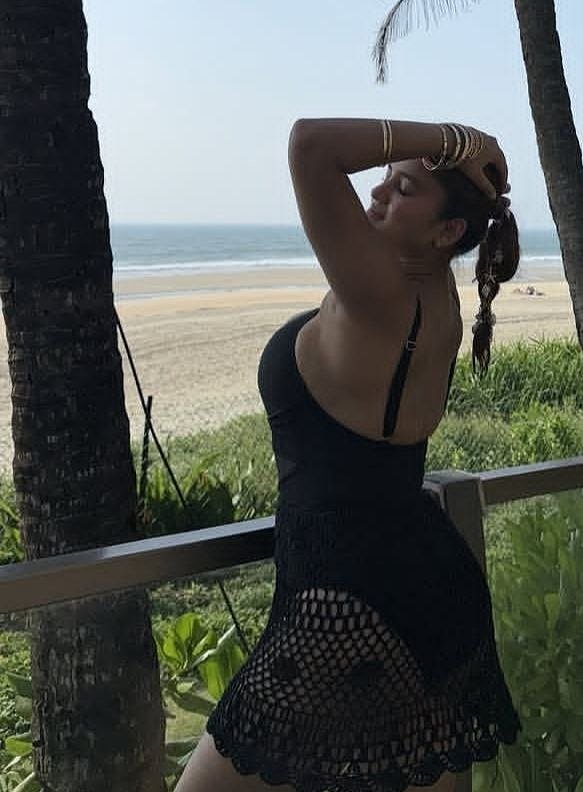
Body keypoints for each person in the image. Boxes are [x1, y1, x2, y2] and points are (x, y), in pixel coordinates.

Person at [175, 119, 523, 792]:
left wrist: (453, 139)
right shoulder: (430, 293)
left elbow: (311, 145)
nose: (377, 192)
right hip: (424, 582)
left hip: (344, 599)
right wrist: (450, 159)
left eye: (404, 189)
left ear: (447, 231)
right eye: (385, 179)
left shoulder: (381, 295)